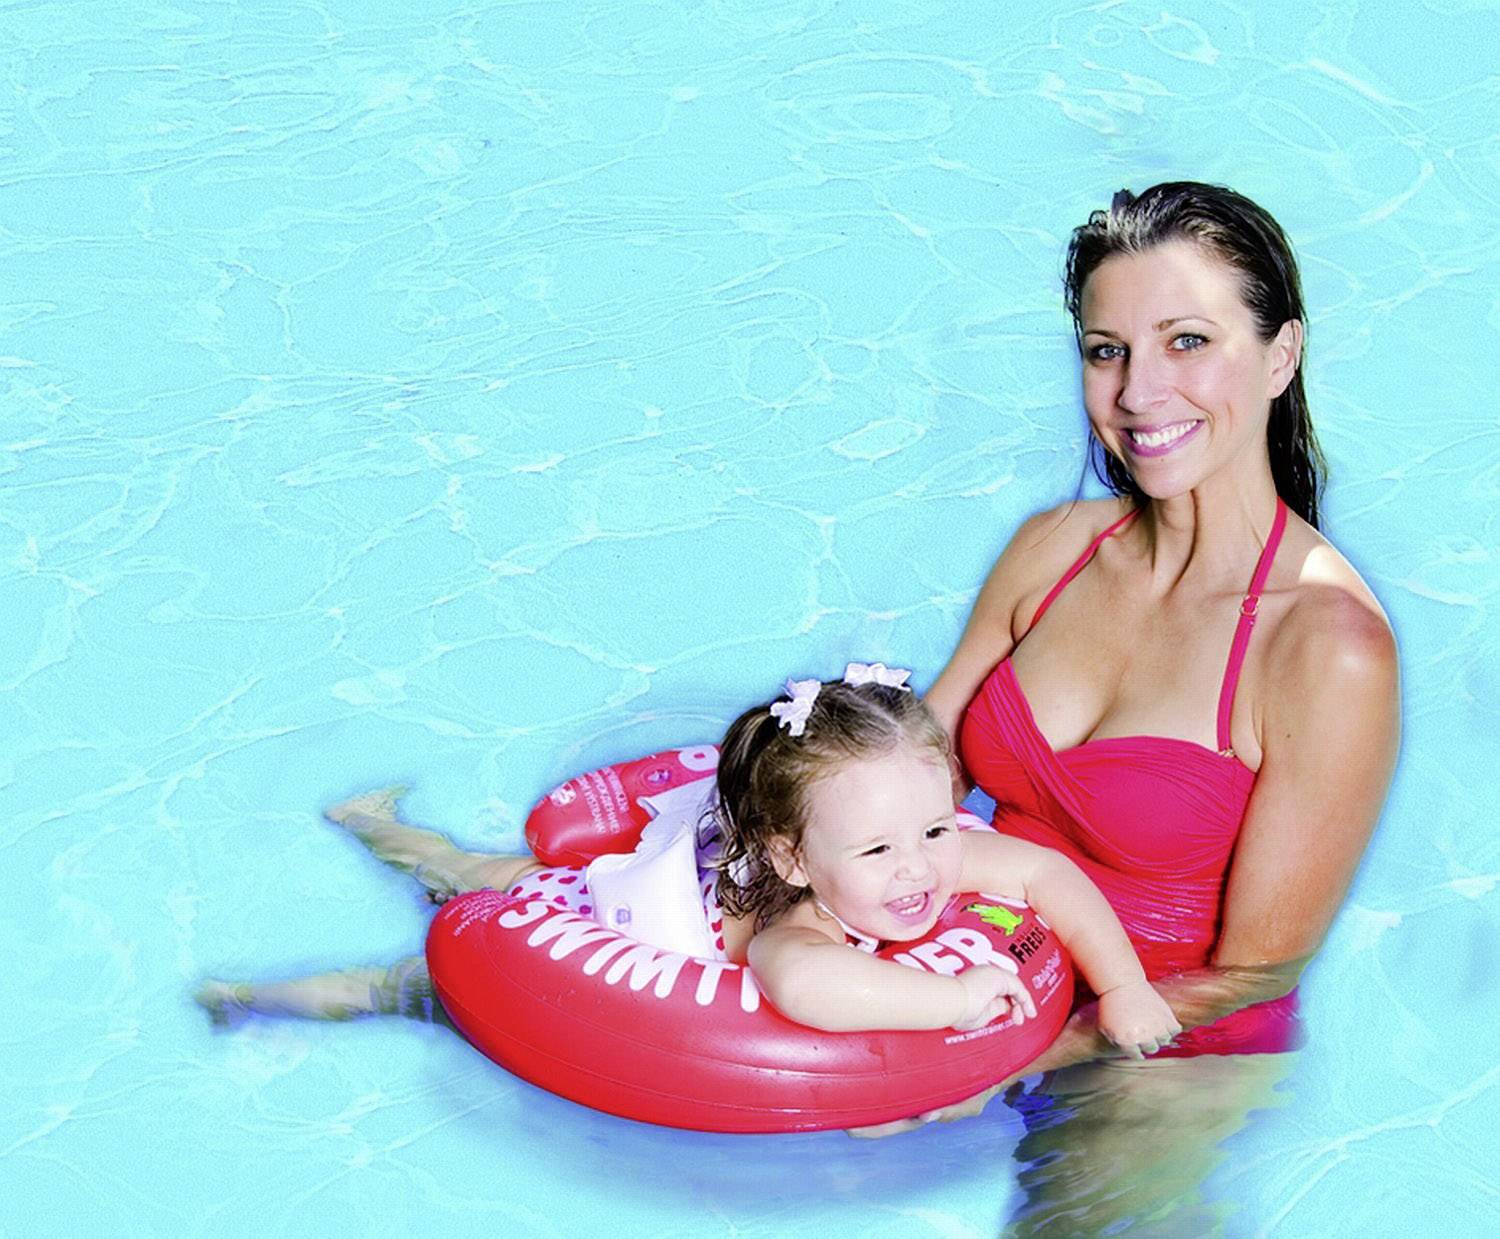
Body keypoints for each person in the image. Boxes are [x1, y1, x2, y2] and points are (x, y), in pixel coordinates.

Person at [896, 182, 1400, 1232]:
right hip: (985, 969)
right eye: (1106, 350)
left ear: (1281, 355)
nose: (1138, 392)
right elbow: (913, 768)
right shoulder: (1054, 550)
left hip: (1159, 1055)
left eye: (1187, 342)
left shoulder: (1324, 647)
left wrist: (1006, 1060)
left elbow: (1255, 969)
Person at [197, 668, 1180, 1058]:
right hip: (602, 915)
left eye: (935, 828)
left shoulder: (917, 855)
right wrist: (956, 998)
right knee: (439, 953)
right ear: (796, 856)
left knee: (474, 874)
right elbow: (811, 988)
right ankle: (256, 989)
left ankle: (389, 836)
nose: (923, 868)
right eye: (881, 848)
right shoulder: (797, 924)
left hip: (711, 865)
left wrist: (1125, 985)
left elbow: (1047, 876)